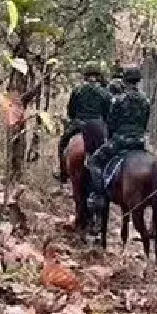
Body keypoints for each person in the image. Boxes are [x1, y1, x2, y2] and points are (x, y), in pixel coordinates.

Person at [86, 64, 150, 208]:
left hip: (119, 141)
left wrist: (109, 138)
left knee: (94, 162)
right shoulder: (145, 100)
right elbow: (145, 123)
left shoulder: (117, 100)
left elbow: (110, 123)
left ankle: (98, 195)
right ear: (138, 81)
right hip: (139, 142)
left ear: (124, 81)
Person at [55, 63, 112, 180]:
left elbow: (71, 111)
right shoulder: (105, 93)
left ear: (85, 76)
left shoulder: (77, 90)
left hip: (78, 123)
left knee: (62, 144)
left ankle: (63, 174)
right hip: (96, 126)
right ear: (98, 76)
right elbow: (107, 114)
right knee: (106, 150)